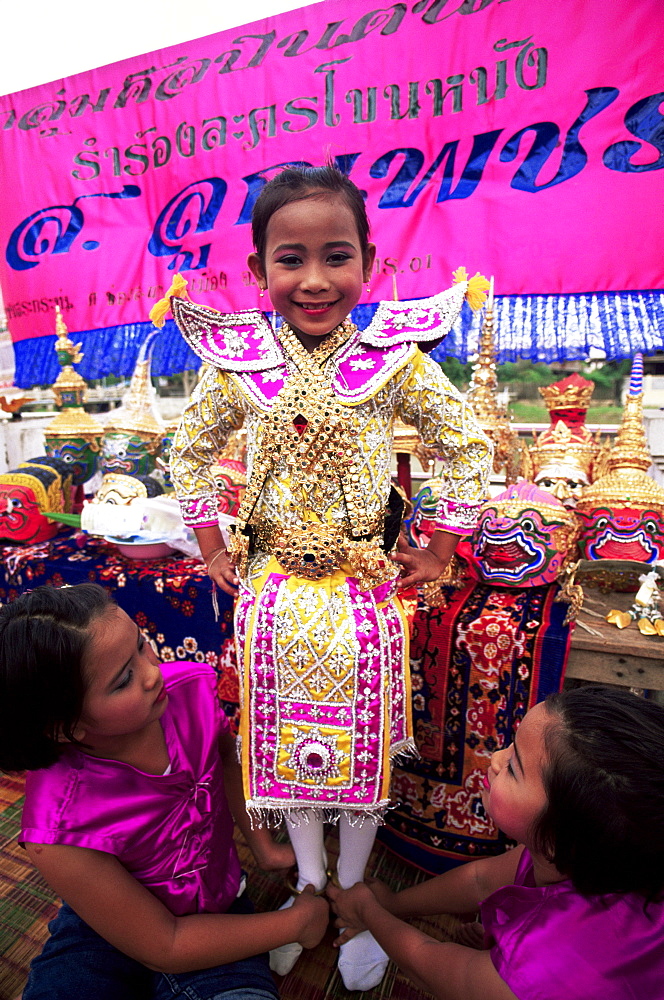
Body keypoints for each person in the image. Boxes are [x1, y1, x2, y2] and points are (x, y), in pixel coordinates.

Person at [162, 164, 493, 990]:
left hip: (364, 593)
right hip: (271, 591)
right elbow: (188, 451)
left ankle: (353, 894)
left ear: (369, 262)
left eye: (336, 256)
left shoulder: (397, 357)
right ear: (256, 269)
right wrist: (210, 546)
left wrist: (443, 544)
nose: (314, 280)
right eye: (290, 259)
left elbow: (467, 446)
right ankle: (309, 889)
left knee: (361, 756)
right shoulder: (236, 360)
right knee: (288, 751)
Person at [0, 584, 329, 1000]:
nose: (153, 672)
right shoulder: (57, 826)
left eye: (142, 645)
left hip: (218, 909)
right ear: (66, 726)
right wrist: (299, 923)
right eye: (123, 681)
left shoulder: (191, 690)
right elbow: (165, 944)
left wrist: (260, 844)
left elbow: (227, 758)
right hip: (104, 925)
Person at [327, 686, 664, 1000]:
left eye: (514, 768)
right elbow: (480, 880)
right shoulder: (581, 851)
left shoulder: (539, 969)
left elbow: (433, 966)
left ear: (558, 840)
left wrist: (367, 911)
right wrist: (394, 905)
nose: (495, 758)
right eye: (511, 746)